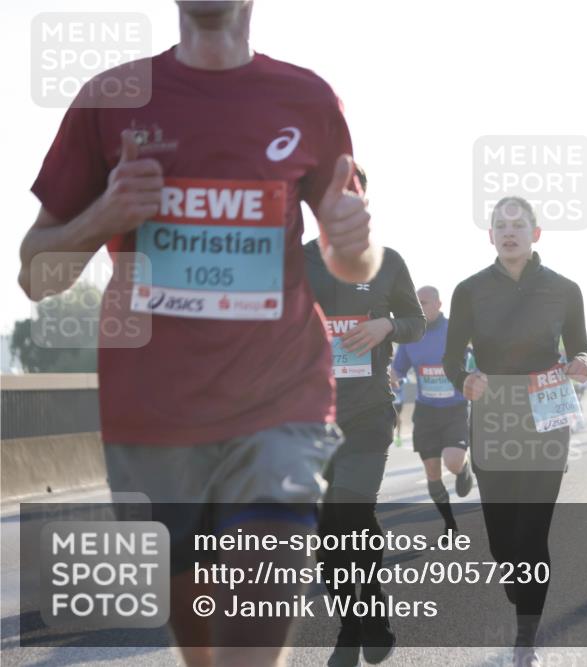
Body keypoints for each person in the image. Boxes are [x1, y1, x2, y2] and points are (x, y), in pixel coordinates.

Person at [20, 3, 379, 665]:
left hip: (281, 401)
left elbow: (351, 256)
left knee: (253, 631)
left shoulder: (306, 98)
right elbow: (36, 274)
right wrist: (104, 214)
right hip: (153, 417)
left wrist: (356, 243)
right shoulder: (111, 100)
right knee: (204, 643)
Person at [443, 196, 587, 667]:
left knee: (532, 535)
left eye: (518, 225)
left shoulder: (565, 289)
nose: (509, 232)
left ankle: (526, 639)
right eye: (500, 225)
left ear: (536, 234)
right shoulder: (468, 291)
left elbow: (581, 346)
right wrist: (463, 379)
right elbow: (451, 359)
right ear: (490, 236)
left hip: (546, 418)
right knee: (503, 542)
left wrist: (583, 363)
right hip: (493, 418)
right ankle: (516, 580)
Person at [304, 224, 426, 666]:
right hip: (309, 416)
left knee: (352, 508)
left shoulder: (387, 261)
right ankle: (350, 625)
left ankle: (371, 609)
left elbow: (417, 322)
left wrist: (387, 325)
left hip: (369, 410)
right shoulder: (294, 263)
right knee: (327, 526)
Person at [391, 285, 474, 535]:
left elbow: (478, 360)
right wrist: (391, 378)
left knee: (452, 461)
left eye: (424, 302)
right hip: (426, 411)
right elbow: (399, 371)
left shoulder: (455, 332)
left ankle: (464, 468)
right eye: (416, 303)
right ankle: (449, 523)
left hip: (455, 408)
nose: (419, 307)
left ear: (439, 304)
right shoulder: (411, 336)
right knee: (432, 470)